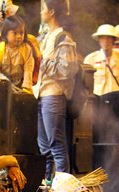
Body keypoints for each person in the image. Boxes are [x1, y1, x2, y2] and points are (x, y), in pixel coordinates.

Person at [35, 0, 78, 182]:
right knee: (45, 149)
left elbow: (66, 71)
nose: (41, 12)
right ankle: (49, 190)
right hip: (42, 95)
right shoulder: (47, 36)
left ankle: (63, 190)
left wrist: (43, 61)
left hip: (54, 96)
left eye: (43, 9)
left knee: (57, 145)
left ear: (51, 12)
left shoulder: (63, 38)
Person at [0, 15, 35, 93]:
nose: (19, 36)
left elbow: (28, 70)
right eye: (14, 33)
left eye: (21, 33)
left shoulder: (26, 49)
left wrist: (26, 89)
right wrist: (7, 84)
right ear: (5, 34)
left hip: (21, 87)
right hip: (3, 87)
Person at [84, 24, 119, 96]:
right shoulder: (90, 59)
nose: (106, 41)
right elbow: (85, 87)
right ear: (99, 40)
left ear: (113, 40)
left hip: (116, 102)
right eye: (102, 38)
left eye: (109, 38)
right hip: (97, 103)